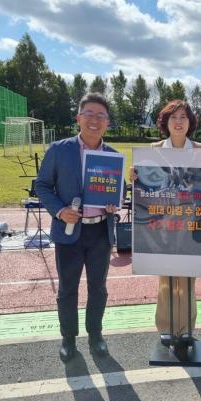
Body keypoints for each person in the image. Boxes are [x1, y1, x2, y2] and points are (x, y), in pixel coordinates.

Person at [130, 99, 201, 346]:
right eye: (173, 117)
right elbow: (144, 186)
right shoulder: (152, 151)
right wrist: (133, 176)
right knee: (166, 278)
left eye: (183, 117)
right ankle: (166, 328)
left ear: (190, 122)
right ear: (165, 122)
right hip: (163, 221)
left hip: (191, 221)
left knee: (188, 278)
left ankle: (186, 329)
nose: (178, 122)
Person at [36, 92, 122, 362]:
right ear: (78, 118)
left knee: (98, 288)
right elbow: (42, 185)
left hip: (100, 232)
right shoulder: (59, 150)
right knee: (67, 288)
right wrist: (61, 211)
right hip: (69, 231)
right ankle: (68, 337)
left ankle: (95, 335)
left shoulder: (113, 156)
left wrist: (114, 204)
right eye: (89, 114)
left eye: (101, 115)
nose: (95, 120)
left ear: (107, 122)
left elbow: (118, 192)